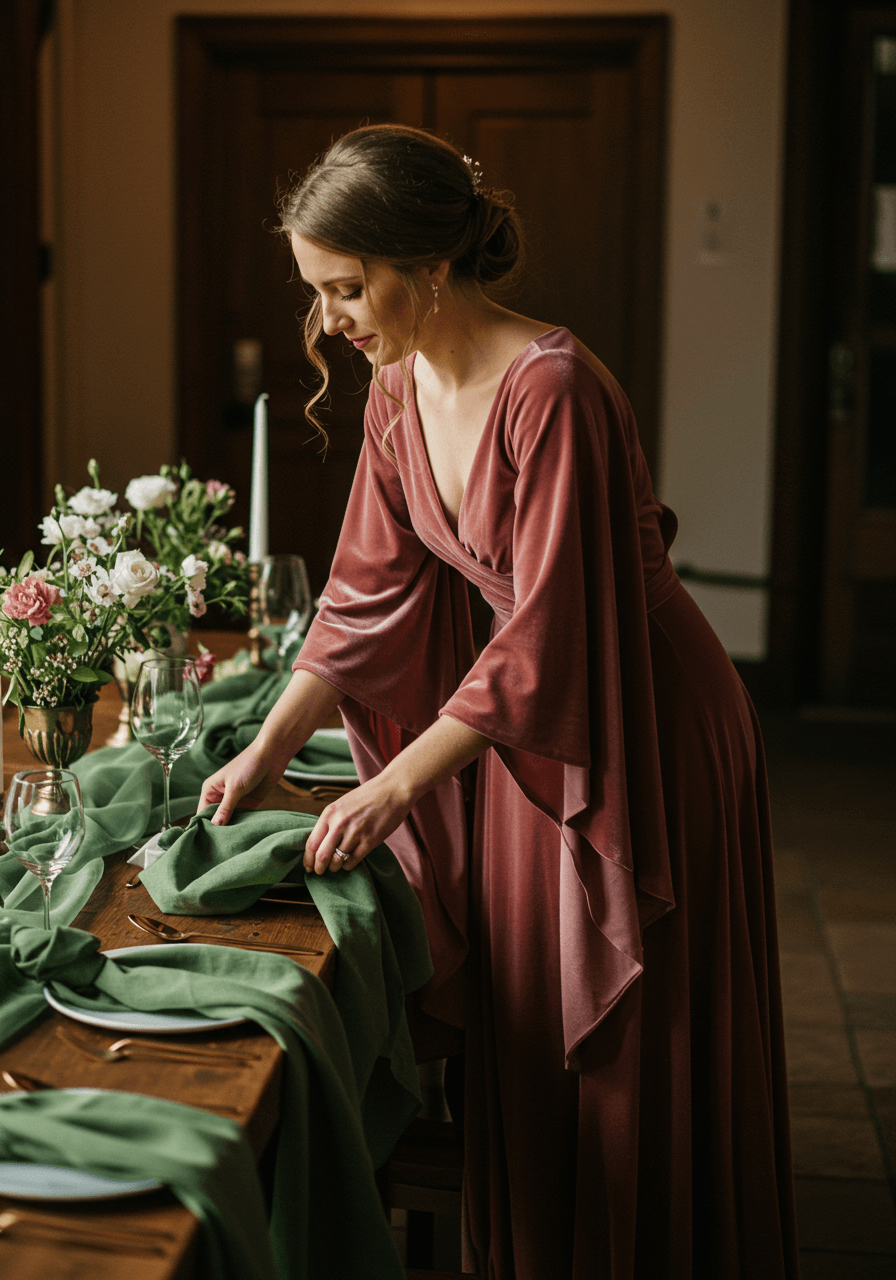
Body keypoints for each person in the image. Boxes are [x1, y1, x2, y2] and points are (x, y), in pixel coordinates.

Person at [198, 124, 798, 1279]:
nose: (332, 319)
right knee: (532, 1033)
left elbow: (549, 635)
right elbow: (363, 597)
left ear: (424, 261)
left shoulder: (552, 388)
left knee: (626, 1044)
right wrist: (273, 747)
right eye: (318, 292)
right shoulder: (392, 388)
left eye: (347, 286)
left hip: (636, 720)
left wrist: (391, 783)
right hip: (519, 724)